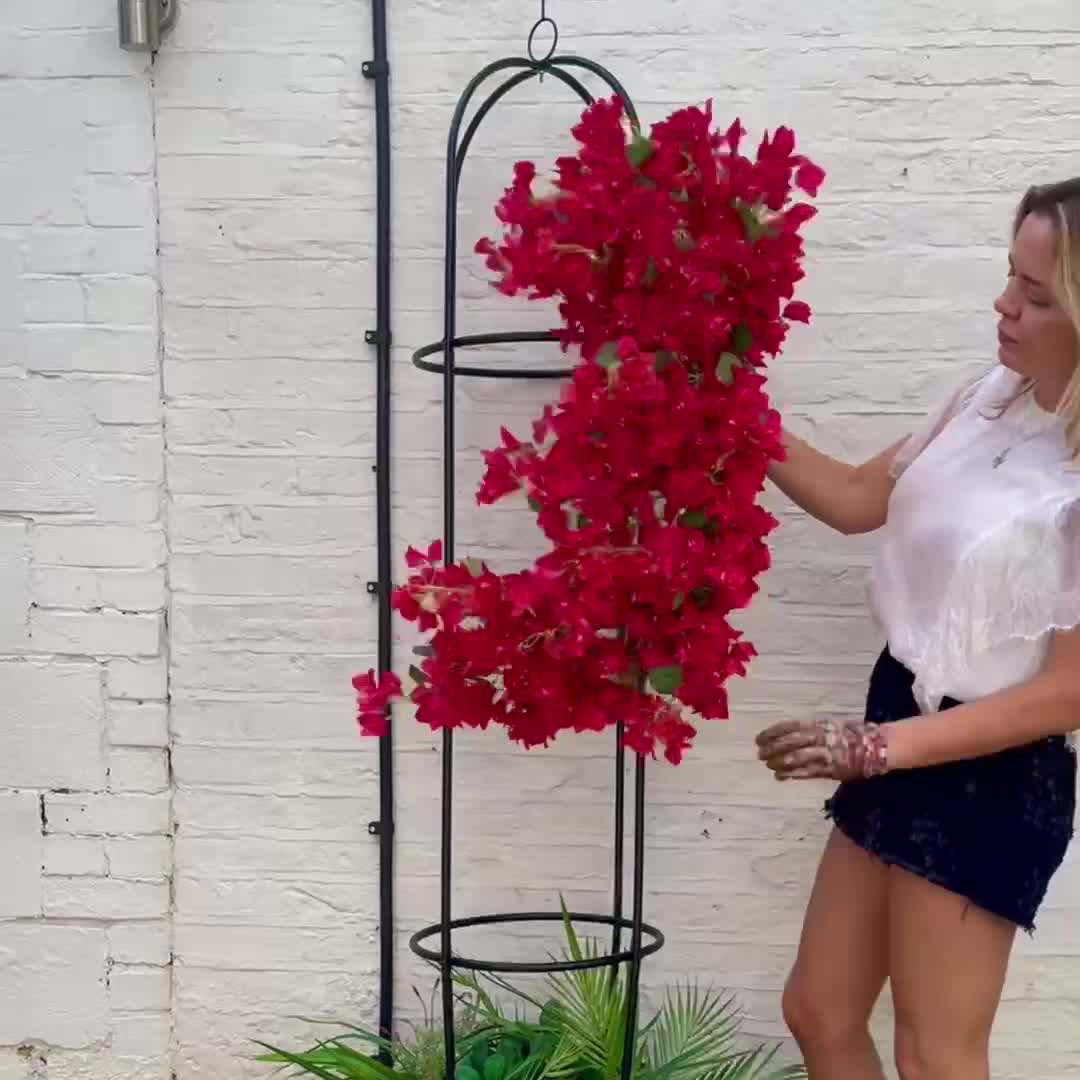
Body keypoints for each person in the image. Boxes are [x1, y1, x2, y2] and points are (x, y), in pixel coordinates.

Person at [754, 177, 1080, 1080]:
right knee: (819, 1010)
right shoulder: (987, 399)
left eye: (1035, 294)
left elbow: (1069, 692)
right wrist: (730, 406)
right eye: (1009, 275)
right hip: (897, 714)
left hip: (989, 768)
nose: (1003, 304)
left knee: (935, 1055)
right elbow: (860, 498)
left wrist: (874, 750)